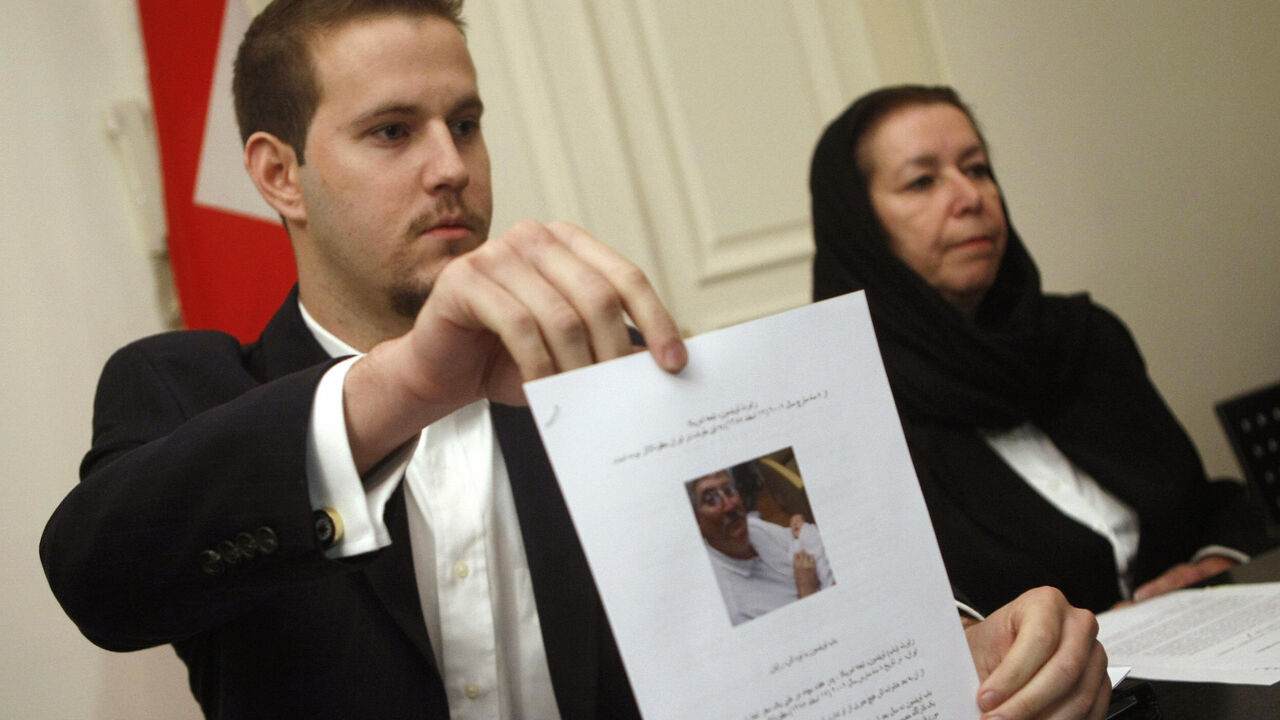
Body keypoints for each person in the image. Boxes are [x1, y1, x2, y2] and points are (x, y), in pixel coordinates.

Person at [38, 3, 1109, 716]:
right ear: (278, 176)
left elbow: (799, 607)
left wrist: (967, 645)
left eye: (465, 121)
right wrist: (409, 382)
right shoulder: (185, 388)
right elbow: (103, 581)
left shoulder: (610, 374)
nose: (450, 167)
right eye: (391, 132)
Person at [809, 84, 1268, 618]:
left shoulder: (1085, 338)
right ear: (860, 228)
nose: (970, 198)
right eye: (923, 181)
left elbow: (1208, 506)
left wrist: (1214, 567)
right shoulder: (841, 411)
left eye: (977, 169)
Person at [689, 470, 834, 625]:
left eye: (729, 491)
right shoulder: (736, 610)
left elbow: (806, 536)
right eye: (711, 499)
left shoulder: (753, 526)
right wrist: (808, 592)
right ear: (695, 521)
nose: (730, 506)